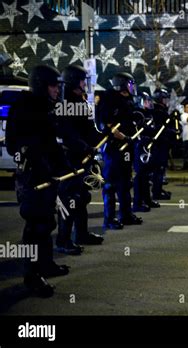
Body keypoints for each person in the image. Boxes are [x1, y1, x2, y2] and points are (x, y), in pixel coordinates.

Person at [5, 65, 71, 297]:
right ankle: (32, 276)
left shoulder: (47, 108)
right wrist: (32, 154)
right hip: (32, 178)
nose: (57, 90)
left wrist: (65, 165)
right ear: (43, 85)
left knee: (47, 223)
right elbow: (13, 144)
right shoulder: (23, 107)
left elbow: (52, 143)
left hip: (47, 176)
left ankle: (46, 265)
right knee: (35, 227)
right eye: (54, 85)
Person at [55, 64, 104, 255]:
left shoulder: (80, 102)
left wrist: (101, 138)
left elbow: (88, 129)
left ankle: (81, 234)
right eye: (83, 80)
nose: (85, 83)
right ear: (74, 80)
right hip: (69, 160)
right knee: (69, 199)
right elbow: (67, 133)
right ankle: (63, 239)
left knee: (82, 197)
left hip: (83, 157)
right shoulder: (64, 103)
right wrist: (86, 147)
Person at [96, 72, 143, 230]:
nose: (132, 87)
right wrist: (123, 137)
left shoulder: (126, 100)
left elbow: (126, 120)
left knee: (125, 181)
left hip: (126, 147)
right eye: (130, 84)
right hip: (113, 147)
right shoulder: (109, 99)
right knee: (110, 183)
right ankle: (109, 219)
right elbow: (107, 124)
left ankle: (126, 214)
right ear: (122, 84)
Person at [132, 92, 160, 212]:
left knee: (146, 175)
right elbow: (137, 131)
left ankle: (147, 199)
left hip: (147, 147)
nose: (150, 103)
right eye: (147, 101)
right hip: (139, 148)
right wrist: (148, 136)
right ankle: (138, 202)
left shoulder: (148, 114)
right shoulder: (137, 114)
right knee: (140, 176)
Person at [151, 89, 175, 201]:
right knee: (158, 170)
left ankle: (158, 189)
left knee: (160, 170)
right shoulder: (158, 112)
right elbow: (161, 129)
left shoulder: (159, 110)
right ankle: (157, 191)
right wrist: (172, 132)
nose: (166, 101)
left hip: (161, 144)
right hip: (159, 145)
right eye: (165, 99)